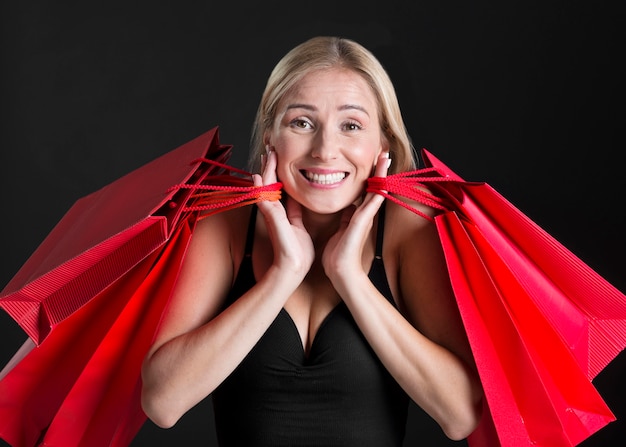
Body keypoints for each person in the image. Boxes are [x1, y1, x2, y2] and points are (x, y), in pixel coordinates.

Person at [140, 36, 483, 446]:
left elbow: (460, 415)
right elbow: (163, 403)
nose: (325, 150)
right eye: (301, 123)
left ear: (383, 144)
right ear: (270, 136)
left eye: (351, 126)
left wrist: (349, 277)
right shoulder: (226, 223)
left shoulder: (410, 230)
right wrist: (283, 274)